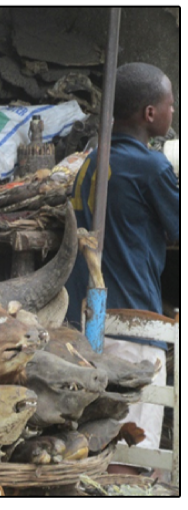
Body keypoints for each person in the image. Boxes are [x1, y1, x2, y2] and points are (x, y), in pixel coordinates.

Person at [64, 62, 179, 476]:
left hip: (85, 322)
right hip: (133, 326)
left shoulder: (89, 164)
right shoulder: (153, 168)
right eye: (171, 105)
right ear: (151, 114)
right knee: (130, 457)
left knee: (91, 445)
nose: (173, 112)